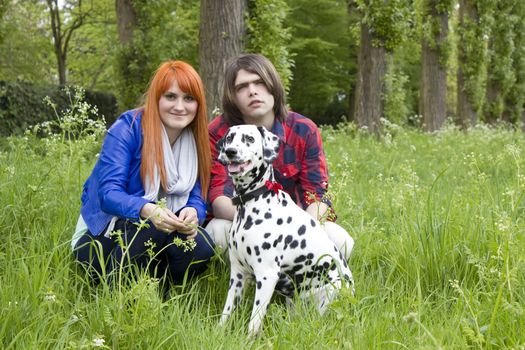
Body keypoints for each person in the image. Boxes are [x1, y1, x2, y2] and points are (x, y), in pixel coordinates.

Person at [71, 60, 214, 285]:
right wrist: (147, 209)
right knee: (151, 228)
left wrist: (193, 211)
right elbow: (108, 194)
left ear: (198, 104)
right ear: (156, 97)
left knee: (203, 246)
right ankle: (114, 292)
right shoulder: (128, 127)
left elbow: (197, 193)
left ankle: (159, 296)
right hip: (102, 238)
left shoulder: (196, 140)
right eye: (170, 96)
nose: (180, 106)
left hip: (160, 229)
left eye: (188, 98)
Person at [205, 53, 354, 260]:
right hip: (242, 222)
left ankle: (302, 283)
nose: (253, 91)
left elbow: (317, 195)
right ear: (233, 96)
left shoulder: (304, 129)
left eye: (260, 82)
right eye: (242, 87)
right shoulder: (219, 132)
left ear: (273, 85)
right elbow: (220, 199)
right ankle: (234, 281)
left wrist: (298, 228)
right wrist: (265, 224)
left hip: (295, 224)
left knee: (341, 241)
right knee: (217, 230)